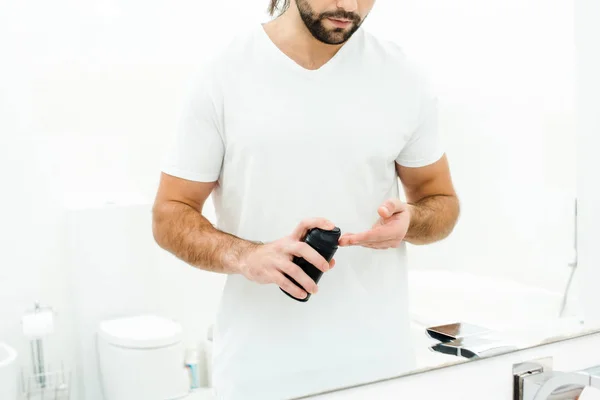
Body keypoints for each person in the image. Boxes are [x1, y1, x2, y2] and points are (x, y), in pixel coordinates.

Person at [152, 0, 460, 398]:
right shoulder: (222, 76)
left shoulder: (403, 78)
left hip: (380, 369)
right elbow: (169, 213)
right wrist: (246, 255)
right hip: (260, 371)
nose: (348, 6)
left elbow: (441, 200)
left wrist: (412, 222)